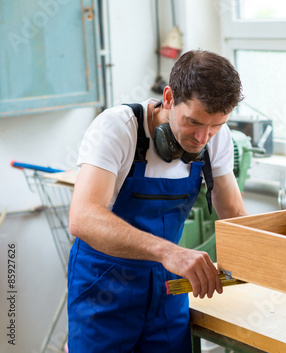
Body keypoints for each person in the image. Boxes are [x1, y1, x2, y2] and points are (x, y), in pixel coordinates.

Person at [67, 49, 248, 352]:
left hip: (168, 291)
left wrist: (275, 262)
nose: (203, 138)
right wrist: (168, 253)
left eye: (215, 126)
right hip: (103, 292)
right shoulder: (117, 128)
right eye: (193, 121)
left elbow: (233, 212)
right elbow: (82, 217)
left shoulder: (217, 138)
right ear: (168, 98)